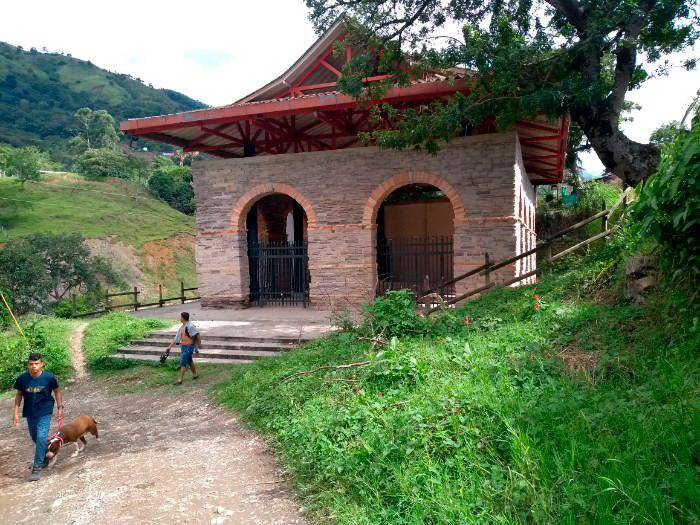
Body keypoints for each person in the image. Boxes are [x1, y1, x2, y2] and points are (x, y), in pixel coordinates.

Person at [12, 352, 63, 482]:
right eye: (31, 364)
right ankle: (46, 453)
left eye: (36, 364)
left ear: (41, 364)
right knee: (35, 436)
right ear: (28, 365)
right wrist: (15, 413)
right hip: (30, 412)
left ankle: (37, 466)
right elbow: (19, 395)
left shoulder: (48, 378)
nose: (33, 366)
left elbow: (57, 391)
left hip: (45, 411)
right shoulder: (23, 379)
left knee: (41, 436)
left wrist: (60, 407)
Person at [165, 312, 201, 385]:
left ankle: (180, 380)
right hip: (183, 347)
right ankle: (195, 375)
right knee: (189, 361)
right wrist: (169, 346)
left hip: (189, 347)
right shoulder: (181, 327)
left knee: (183, 362)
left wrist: (199, 344)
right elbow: (176, 338)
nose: (179, 318)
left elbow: (197, 335)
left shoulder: (190, 326)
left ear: (183, 318)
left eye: (180, 317)